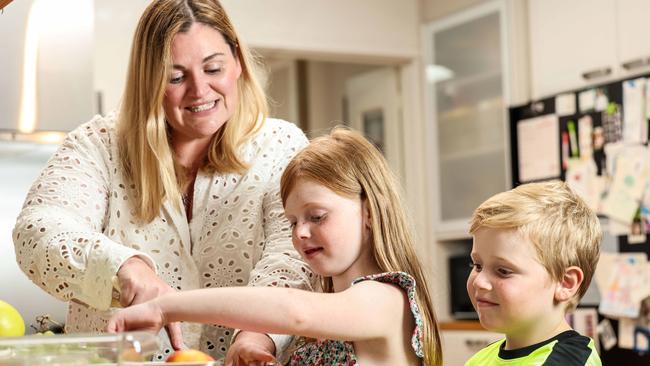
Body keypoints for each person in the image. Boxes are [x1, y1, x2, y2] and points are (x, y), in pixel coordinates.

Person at [12, 0, 313, 362]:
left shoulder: (281, 146)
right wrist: (124, 267)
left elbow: (293, 254)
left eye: (213, 68)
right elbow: (37, 231)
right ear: (149, 81)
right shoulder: (97, 145)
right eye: (176, 77)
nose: (200, 90)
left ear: (237, 63)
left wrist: (258, 333)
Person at [108, 127, 443, 366]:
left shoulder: (387, 299)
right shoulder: (329, 322)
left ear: (369, 212)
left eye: (317, 216)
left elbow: (294, 311)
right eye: (293, 221)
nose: (301, 233)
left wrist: (165, 306)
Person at [465, 181, 602, 366]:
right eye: (477, 265)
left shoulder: (569, 361)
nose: (479, 282)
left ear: (565, 283)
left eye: (503, 271)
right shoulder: (480, 359)